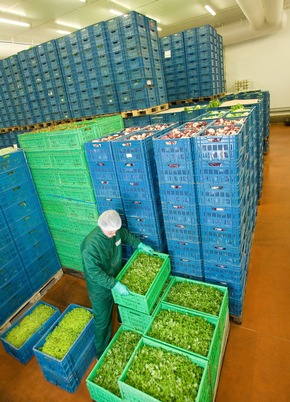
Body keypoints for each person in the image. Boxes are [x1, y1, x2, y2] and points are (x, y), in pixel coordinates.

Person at [81, 209, 154, 359]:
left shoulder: (115, 231)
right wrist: (115, 285)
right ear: (102, 227)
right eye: (111, 232)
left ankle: (125, 324)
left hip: (116, 276)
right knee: (102, 320)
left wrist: (139, 245)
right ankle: (101, 354)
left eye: (115, 231)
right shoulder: (90, 246)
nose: (114, 235)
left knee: (123, 305)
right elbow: (95, 273)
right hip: (100, 289)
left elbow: (125, 235)